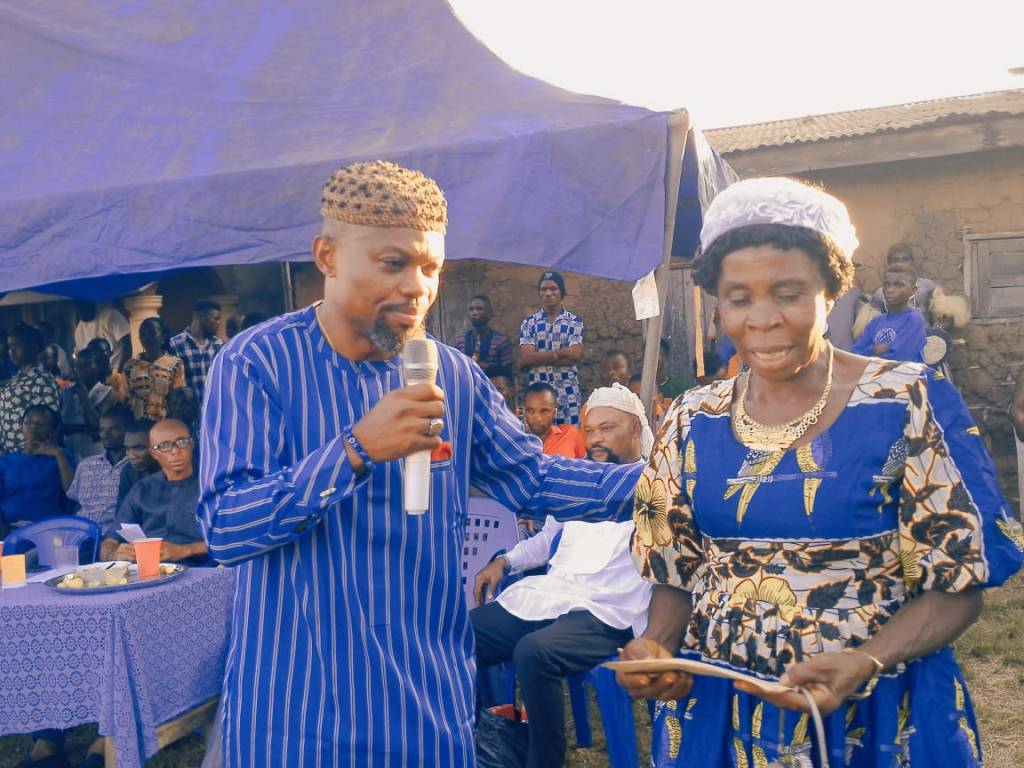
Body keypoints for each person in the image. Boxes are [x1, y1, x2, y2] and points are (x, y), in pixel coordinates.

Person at [197, 160, 640, 767]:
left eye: (430, 268)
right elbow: (227, 527)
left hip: (424, 698)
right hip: (299, 701)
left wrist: (664, 481)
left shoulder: (452, 374)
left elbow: (533, 478)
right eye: (393, 263)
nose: (417, 287)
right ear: (328, 256)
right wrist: (355, 450)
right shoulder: (257, 363)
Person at [615, 177, 1023, 768]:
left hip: (873, 710)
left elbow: (958, 584)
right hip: (724, 711)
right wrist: (659, 645)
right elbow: (675, 573)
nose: (763, 320)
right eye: (739, 298)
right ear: (718, 304)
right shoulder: (691, 418)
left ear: (832, 292)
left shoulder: (906, 401)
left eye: (788, 294)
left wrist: (866, 659)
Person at [471, 383, 654, 767]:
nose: (595, 438)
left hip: (609, 608)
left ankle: (545, 761)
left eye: (607, 428)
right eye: (589, 430)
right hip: (554, 593)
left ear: (636, 428)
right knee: (461, 634)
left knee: (534, 653)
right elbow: (545, 540)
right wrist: (504, 562)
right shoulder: (578, 481)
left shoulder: (656, 484)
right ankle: (483, 745)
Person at [100, 418, 207, 563]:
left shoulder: (210, 486)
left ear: (192, 444)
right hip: (150, 570)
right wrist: (113, 555)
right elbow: (110, 541)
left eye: (182, 442)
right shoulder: (142, 489)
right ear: (154, 453)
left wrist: (185, 550)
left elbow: (232, 541)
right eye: (165, 446)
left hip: (201, 569)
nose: (175, 451)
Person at [518, 271, 585, 425]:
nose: (548, 293)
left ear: (562, 292)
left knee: (569, 435)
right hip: (538, 395)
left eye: (553, 288)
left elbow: (575, 356)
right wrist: (560, 353)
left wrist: (538, 358)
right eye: (544, 289)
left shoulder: (574, 322)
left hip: (567, 394)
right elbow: (527, 357)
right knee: (539, 436)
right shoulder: (529, 323)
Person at [0, 405, 74, 532]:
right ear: (21, 426)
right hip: (10, 528)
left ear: (52, 429)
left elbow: (72, 491)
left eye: (40, 424)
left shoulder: (61, 456)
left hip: (48, 528)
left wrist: (58, 454)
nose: (33, 427)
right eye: (28, 422)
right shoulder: (6, 461)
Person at [67, 405, 132, 528]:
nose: (105, 435)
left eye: (113, 429)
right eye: (102, 429)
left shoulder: (135, 466)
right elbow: (76, 503)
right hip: (82, 531)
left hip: (114, 533)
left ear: (128, 430)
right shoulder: (86, 465)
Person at [0, 324, 61, 454]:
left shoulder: (43, 379)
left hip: (30, 453)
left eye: (17, 346)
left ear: (35, 348)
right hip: (9, 454)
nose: (11, 351)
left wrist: (40, 452)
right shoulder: (17, 378)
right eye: (10, 347)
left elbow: (51, 422)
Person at [853, 265, 927, 363]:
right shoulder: (876, 321)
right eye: (887, 285)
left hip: (904, 373)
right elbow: (855, 355)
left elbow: (899, 357)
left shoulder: (914, 319)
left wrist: (869, 353)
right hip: (874, 373)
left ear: (913, 290)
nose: (890, 290)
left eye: (899, 285)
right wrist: (874, 349)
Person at [123, 317, 186, 420]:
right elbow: (124, 400)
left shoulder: (175, 364)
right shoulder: (130, 366)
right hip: (137, 424)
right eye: (143, 334)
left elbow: (176, 400)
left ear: (163, 337)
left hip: (164, 424)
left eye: (152, 333)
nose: (147, 338)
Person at [60, 346, 116, 462]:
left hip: (94, 452)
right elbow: (60, 426)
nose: (81, 369)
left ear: (97, 367)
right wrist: (82, 428)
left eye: (87, 365)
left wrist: (85, 397)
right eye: (78, 365)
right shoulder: (66, 392)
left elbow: (97, 425)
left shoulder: (106, 392)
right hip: (70, 451)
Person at [168, 299, 224, 402]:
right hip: (188, 409)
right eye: (215, 319)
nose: (219, 323)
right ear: (201, 317)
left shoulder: (219, 345)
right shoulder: (175, 344)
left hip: (212, 408)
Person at [522, 381, 585, 459]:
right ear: (524, 412)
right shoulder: (516, 442)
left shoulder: (570, 433)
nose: (538, 418)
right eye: (531, 411)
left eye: (544, 412)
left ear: (554, 412)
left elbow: (584, 462)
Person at [455, 294, 514, 369]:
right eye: (471, 309)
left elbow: (507, 372)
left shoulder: (501, 341)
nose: (474, 313)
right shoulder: (461, 341)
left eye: (479, 309)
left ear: (489, 313)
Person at [73, 301, 131, 372]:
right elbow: (82, 357)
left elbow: (127, 345)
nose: (79, 312)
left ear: (90, 303)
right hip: (95, 375)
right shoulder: (79, 331)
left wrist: (121, 370)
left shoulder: (112, 316)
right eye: (76, 308)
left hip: (117, 369)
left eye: (82, 307)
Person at [116, 418, 158, 508]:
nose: (131, 455)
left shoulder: (176, 472)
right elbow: (123, 512)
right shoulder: (128, 472)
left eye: (139, 448)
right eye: (127, 449)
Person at [86, 337, 130, 403]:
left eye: (100, 352)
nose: (97, 356)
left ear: (111, 353)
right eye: (93, 353)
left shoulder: (118, 380)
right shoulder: (88, 379)